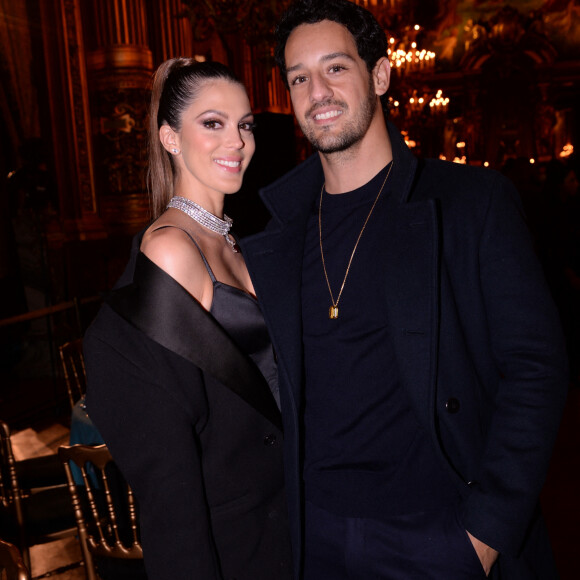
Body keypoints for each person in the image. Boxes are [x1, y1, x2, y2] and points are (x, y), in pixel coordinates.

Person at [239, 1, 569, 578]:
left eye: (336, 68)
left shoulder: (471, 203)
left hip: (439, 534)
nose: (317, 91)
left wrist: (484, 533)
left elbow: (536, 366)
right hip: (312, 536)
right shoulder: (277, 234)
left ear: (381, 75)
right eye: (299, 77)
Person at [83, 58, 293, 580]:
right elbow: (164, 465)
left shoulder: (231, 239)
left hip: (285, 515)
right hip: (233, 537)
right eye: (213, 123)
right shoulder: (171, 248)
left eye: (244, 124)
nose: (238, 142)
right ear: (170, 138)